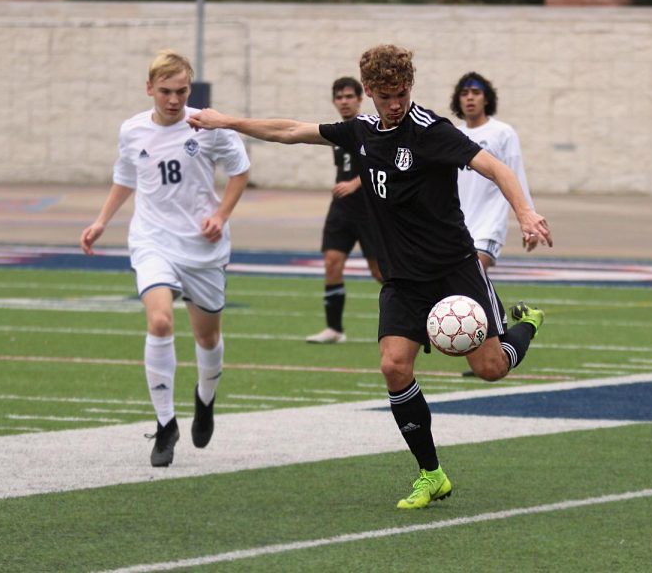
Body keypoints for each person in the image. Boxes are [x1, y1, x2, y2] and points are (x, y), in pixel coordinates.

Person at [187, 44, 552, 509]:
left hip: (453, 270)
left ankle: (527, 324)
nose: (395, 103)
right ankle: (431, 474)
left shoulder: (432, 131)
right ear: (369, 93)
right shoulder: (360, 131)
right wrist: (228, 121)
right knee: (393, 367)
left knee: (490, 369)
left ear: (410, 87)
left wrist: (525, 213)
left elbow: (495, 167)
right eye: (384, 95)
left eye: (400, 93)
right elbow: (290, 130)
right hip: (402, 279)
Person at [81, 49, 251, 468]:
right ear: (149, 89)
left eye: (181, 91)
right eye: (165, 91)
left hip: (202, 247)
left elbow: (240, 170)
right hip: (152, 239)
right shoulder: (133, 130)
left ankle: (205, 399)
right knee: (159, 320)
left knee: (207, 337)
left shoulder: (208, 127)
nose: (173, 100)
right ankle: (165, 424)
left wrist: (221, 215)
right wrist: (102, 221)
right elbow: (126, 176)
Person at [306, 77, 383, 345]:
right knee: (332, 263)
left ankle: (415, 314)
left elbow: (379, 164)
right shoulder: (337, 132)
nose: (344, 102)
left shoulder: (370, 128)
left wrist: (354, 183)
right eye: (339, 97)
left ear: (360, 99)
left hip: (370, 210)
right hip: (341, 210)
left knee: (380, 272)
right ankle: (334, 329)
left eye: (349, 96)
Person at [451, 71, 537, 271]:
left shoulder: (503, 133)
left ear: (486, 98)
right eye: (464, 93)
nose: (470, 97)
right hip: (456, 226)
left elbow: (517, 176)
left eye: (475, 92)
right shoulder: (454, 134)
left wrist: (528, 219)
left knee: (472, 277)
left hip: (488, 226)